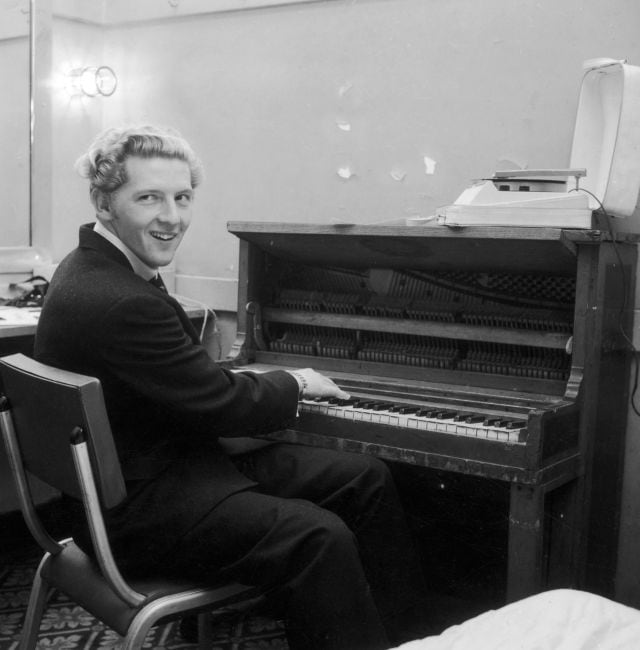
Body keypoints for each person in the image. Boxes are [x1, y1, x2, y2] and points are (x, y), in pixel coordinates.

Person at [34, 124, 429, 649]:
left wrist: (248, 384)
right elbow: (217, 402)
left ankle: (411, 638)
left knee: (364, 478)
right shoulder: (118, 298)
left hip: (153, 473)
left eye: (182, 197)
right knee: (317, 536)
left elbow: (185, 387)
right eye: (148, 198)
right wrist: (293, 382)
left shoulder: (88, 267)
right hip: (137, 513)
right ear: (104, 204)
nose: (171, 217)